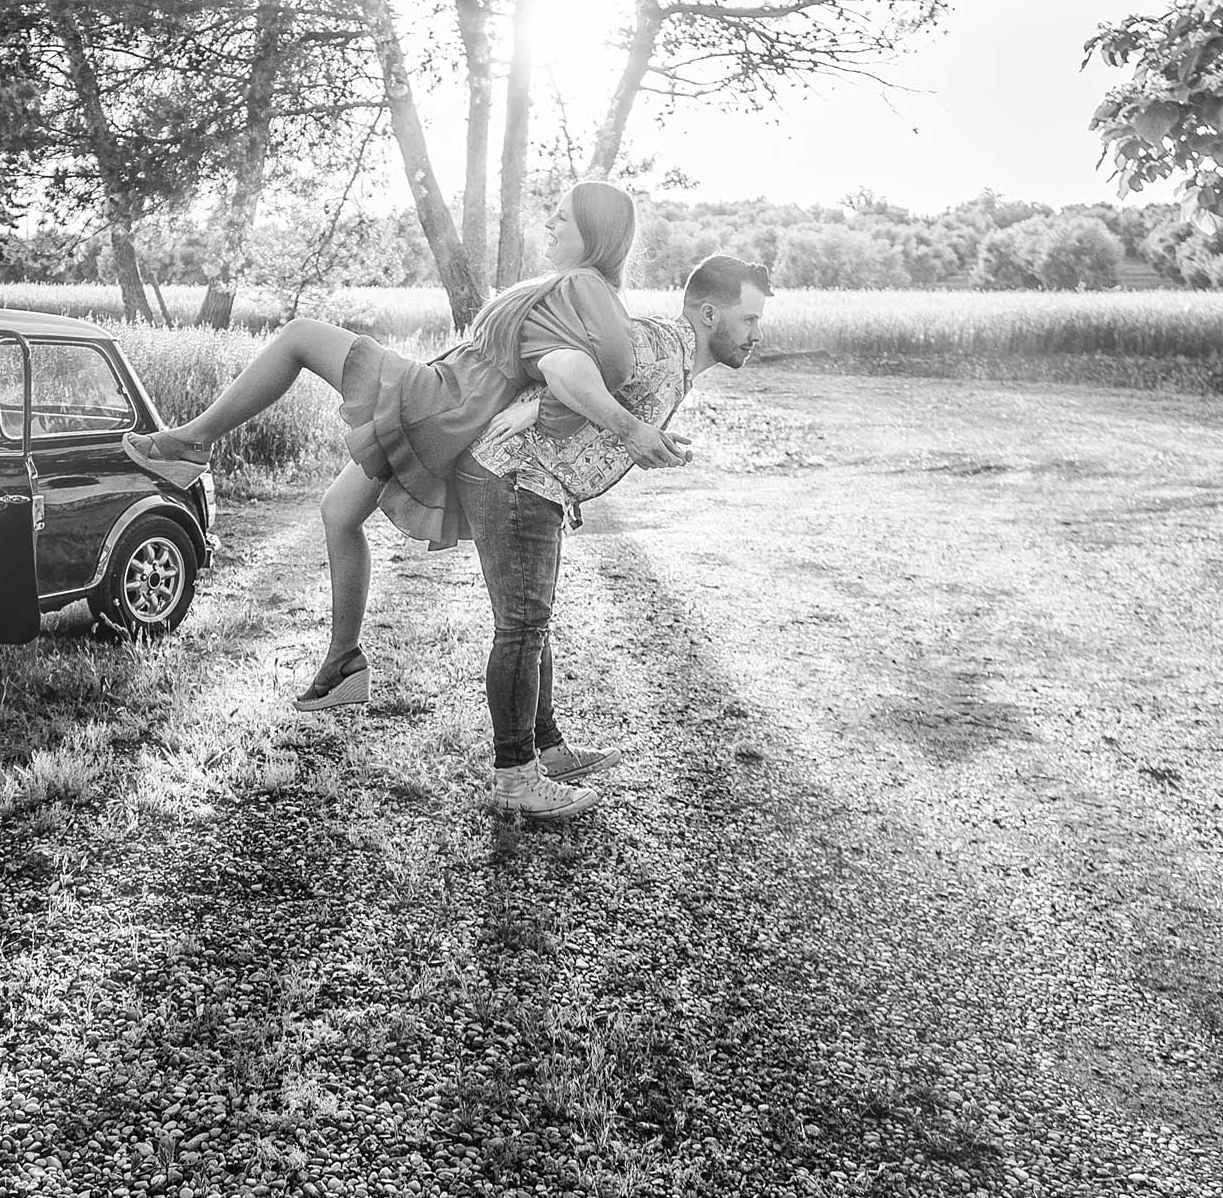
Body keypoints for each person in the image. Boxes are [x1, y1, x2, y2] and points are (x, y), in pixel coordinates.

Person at [125, 181, 684, 710]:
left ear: (596, 231)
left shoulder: (585, 287)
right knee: (339, 512)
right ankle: (344, 664)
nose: (549, 222)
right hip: (448, 403)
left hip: (441, 400)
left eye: (561, 216)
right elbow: (577, 367)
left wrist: (558, 410)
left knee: (297, 336)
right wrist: (541, 403)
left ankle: (193, 441)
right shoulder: (582, 291)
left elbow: (613, 370)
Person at [454, 253, 772, 819]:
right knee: (522, 629)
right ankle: (514, 778)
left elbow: (588, 387)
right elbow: (564, 363)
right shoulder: (660, 344)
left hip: (533, 483)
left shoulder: (674, 363)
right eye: (748, 320)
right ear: (708, 313)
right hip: (516, 477)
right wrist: (630, 430)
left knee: (532, 624)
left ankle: (546, 751)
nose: (755, 333)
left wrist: (620, 430)